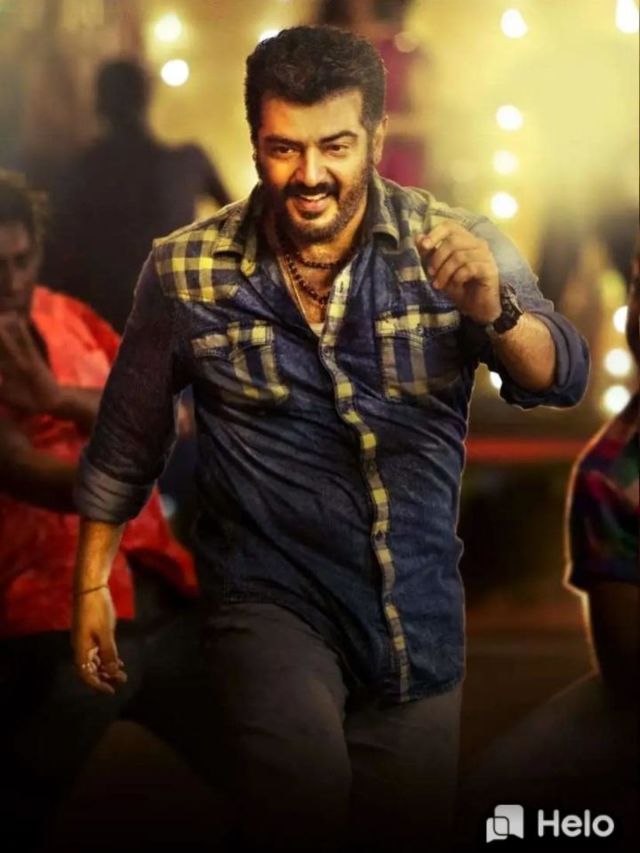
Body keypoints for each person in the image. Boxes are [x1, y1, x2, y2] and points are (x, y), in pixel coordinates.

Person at [72, 26, 589, 853]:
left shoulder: (456, 243)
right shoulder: (185, 270)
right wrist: (91, 582)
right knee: (299, 796)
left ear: (376, 140)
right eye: (284, 148)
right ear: (255, 143)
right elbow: (127, 440)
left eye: (334, 146)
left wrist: (495, 310)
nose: (309, 174)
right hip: (268, 597)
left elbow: (559, 374)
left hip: (415, 615)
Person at [0, 170, 204, 853]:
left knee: (282, 758)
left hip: (156, 596)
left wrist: (56, 399)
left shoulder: (67, 315)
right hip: (46, 620)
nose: (11, 280)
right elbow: (35, 476)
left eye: (22, 259)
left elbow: (169, 417)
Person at [50, 59, 231, 332]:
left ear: (99, 106)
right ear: (146, 100)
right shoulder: (188, 164)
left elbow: (62, 257)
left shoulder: (80, 173)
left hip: (106, 324)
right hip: (175, 322)